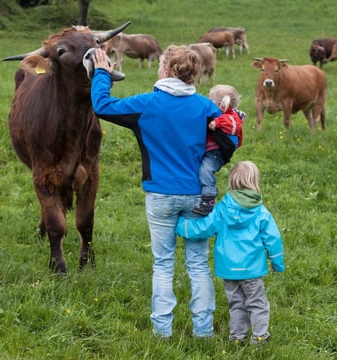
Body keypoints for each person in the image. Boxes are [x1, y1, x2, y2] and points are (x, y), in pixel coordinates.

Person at [91, 45, 221, 338]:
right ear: (194, 74)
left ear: (166, 70)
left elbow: (102, 106)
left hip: (160, 195)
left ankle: (163, 332)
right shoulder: (205, 107)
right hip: (198, 196)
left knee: (163, 263)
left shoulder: (146, 104)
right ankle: (204, 330)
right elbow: (228, 135)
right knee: (198, 263)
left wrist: (102, 73)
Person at [176, 161, 285, 345]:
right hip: (252, 270)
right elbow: (273, 240)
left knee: (236, 304)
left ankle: (237, 338)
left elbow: (204, 227)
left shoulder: (222, 209)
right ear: (254, 182)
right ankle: (259, 337)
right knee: (257, 304)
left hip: (228, 270)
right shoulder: (260, 212)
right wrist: (277, 263)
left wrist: (181, 225)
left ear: (232, 182)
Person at [192, 84, 245, 216]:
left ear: (221, 104)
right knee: (199, 170)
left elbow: (234, 125)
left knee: (205, 170)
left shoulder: (231, 115)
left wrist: (217, 123)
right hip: (207, 151)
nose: (208, 101)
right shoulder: (217, 113)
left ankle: (209, 198)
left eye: (211, 99)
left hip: (216, 153)